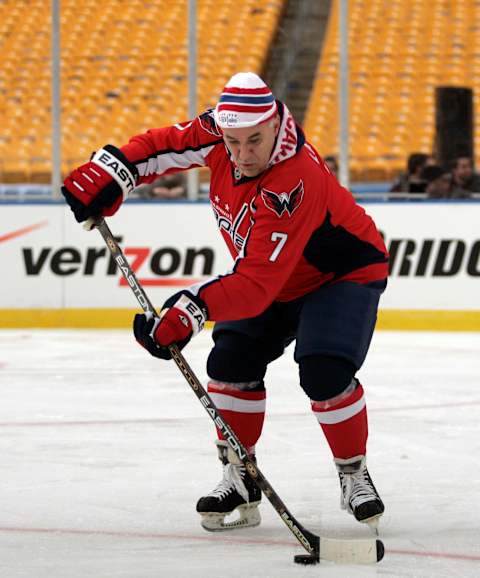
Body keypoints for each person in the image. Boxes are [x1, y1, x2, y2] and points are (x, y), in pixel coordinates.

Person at [61, 72, 388, 534]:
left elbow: (256, 285)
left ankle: (353, 472)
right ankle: (239, 472)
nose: (242, 154)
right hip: (274, 275)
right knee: (231, 361)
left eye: (254, 140)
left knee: (323, 370)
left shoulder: (295, 179)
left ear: (275, 123)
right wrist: (115, 170)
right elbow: (163, 146)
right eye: (232, 142)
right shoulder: (224, 129)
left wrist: (191, 307)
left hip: (340, 274)